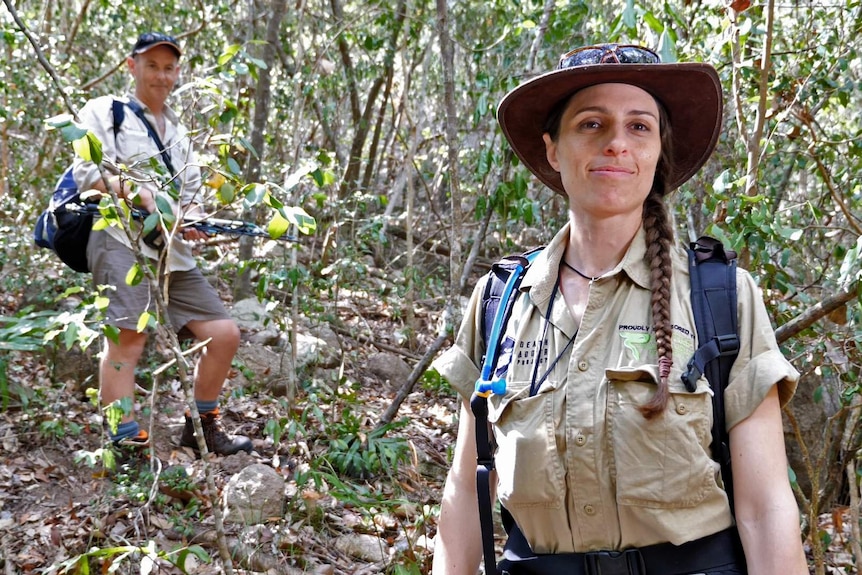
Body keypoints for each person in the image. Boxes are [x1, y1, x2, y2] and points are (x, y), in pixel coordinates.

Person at [431, 43, 807, 574]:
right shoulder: (501, 301)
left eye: (638, 127)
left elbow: (766, 509)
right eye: (591, 124)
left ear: (658, 153)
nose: (615, 144)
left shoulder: (720, 297)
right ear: (553, 150)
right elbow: (464, 494)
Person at [73, 32, 252, 459]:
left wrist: (191, 222)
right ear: (132, 67)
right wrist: (137, 193)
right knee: (127, 341)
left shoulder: (179, 133)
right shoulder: (104, 112)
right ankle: (125, 444)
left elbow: (189, 197)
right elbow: (87, 176)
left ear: (177, 73)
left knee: (223, 334)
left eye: (168, 67)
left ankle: (202, 427)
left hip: (171, 251)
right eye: (151, 65)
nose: (161, 75)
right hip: (119, 237)